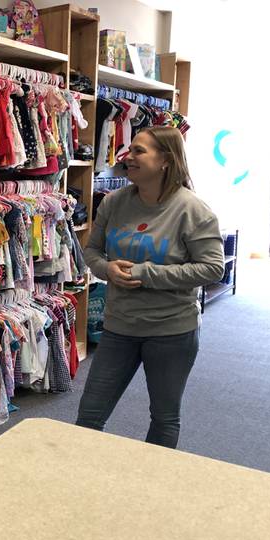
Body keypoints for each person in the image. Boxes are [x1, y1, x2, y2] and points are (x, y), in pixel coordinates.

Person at [76, 126, 224, 449]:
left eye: (139, 150)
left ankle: (154, 491)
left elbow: (213, 267)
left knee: (164, 418)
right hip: (119, 326)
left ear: (166, 160)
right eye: (129, 149)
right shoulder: (113, 203)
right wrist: (107, 270)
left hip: (172, 330)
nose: (128, 156)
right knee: (88, 417)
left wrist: (148, 274)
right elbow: (91, 252)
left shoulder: (193, 211)